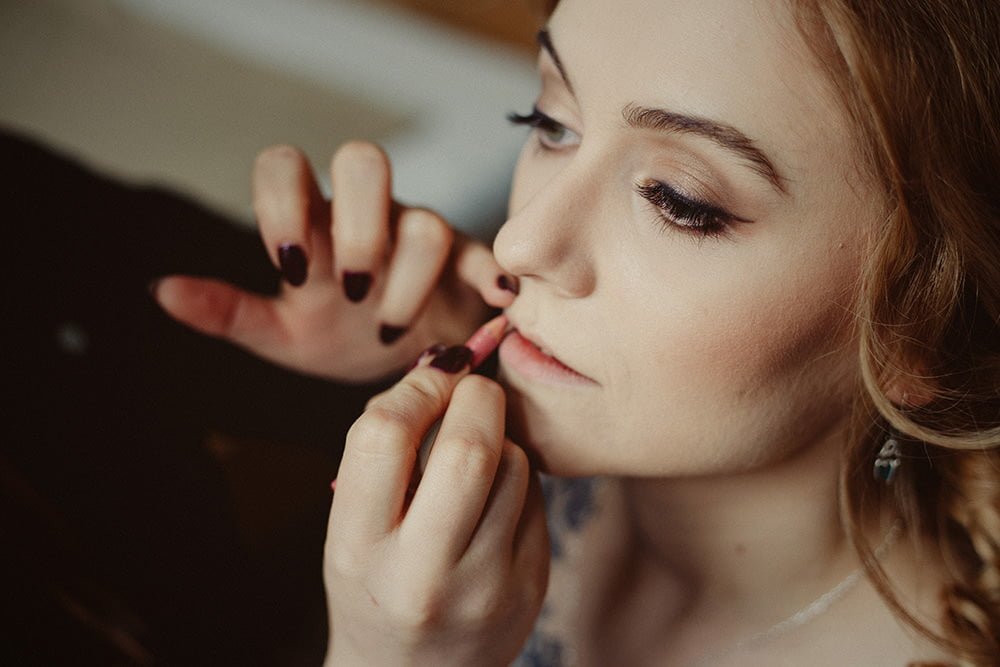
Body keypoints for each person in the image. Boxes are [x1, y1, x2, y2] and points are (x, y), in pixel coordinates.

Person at [155, 0, 1000, 664]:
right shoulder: (497, 454)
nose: (518, 242)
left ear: (918, 328)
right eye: (550, 123)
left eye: (678, 201)